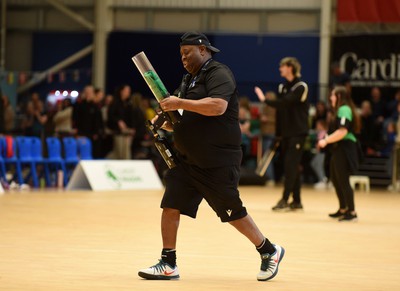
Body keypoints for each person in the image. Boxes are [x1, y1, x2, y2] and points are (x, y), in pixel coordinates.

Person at [138, 32, 284, 282]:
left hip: (217, 160)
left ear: (203, 50)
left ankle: (269, 250)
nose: (183, 58)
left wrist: (178, 102)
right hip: (187, 160)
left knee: (231, 212)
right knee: (170, 203)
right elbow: (181, 121)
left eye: (188, 53)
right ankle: (168, 262)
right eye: (180, 54)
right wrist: (164, 122)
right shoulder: (187, 81)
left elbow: (218, 106)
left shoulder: (218, 73)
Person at [255, 57, 309, 211]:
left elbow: (286, 102)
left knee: (290, 166)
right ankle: (297, 202)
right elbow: (280, 111)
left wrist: (265, 100)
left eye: (282, 66)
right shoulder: (282, 87)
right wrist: (278, 134)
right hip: (285, 134)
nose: (280, 69)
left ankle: (285, 199)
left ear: (290, 68)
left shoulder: (301, 87)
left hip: (298, 133)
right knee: (293, 167)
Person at [318, 86, 361, 222]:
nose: (330, 98)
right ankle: (343, 208)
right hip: (338, 148)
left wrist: (325, 140)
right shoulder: (338, 110)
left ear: (339, 97)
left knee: (343, 180)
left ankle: (352, 211)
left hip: (345, 147)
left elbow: (343, 131)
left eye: (333, 95)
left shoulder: (344, 109)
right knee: (336, 179)